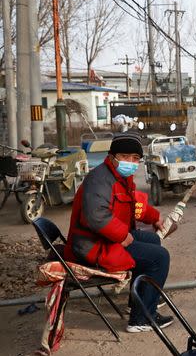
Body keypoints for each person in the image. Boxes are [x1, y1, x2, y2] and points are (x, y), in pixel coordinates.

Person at [65, 133, 173, 333]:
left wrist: (154, 217)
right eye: (124, 156)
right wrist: (122, 235)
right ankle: (142, 319)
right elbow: (95, 216)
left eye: (135, 158)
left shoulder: (120, 177)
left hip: (105, 239)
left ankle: (137, 301)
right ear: (112, 156)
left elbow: (133, 206)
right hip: (92, 246)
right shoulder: (100, 179)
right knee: (159, 258)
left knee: (152, 241)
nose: (130, 162)